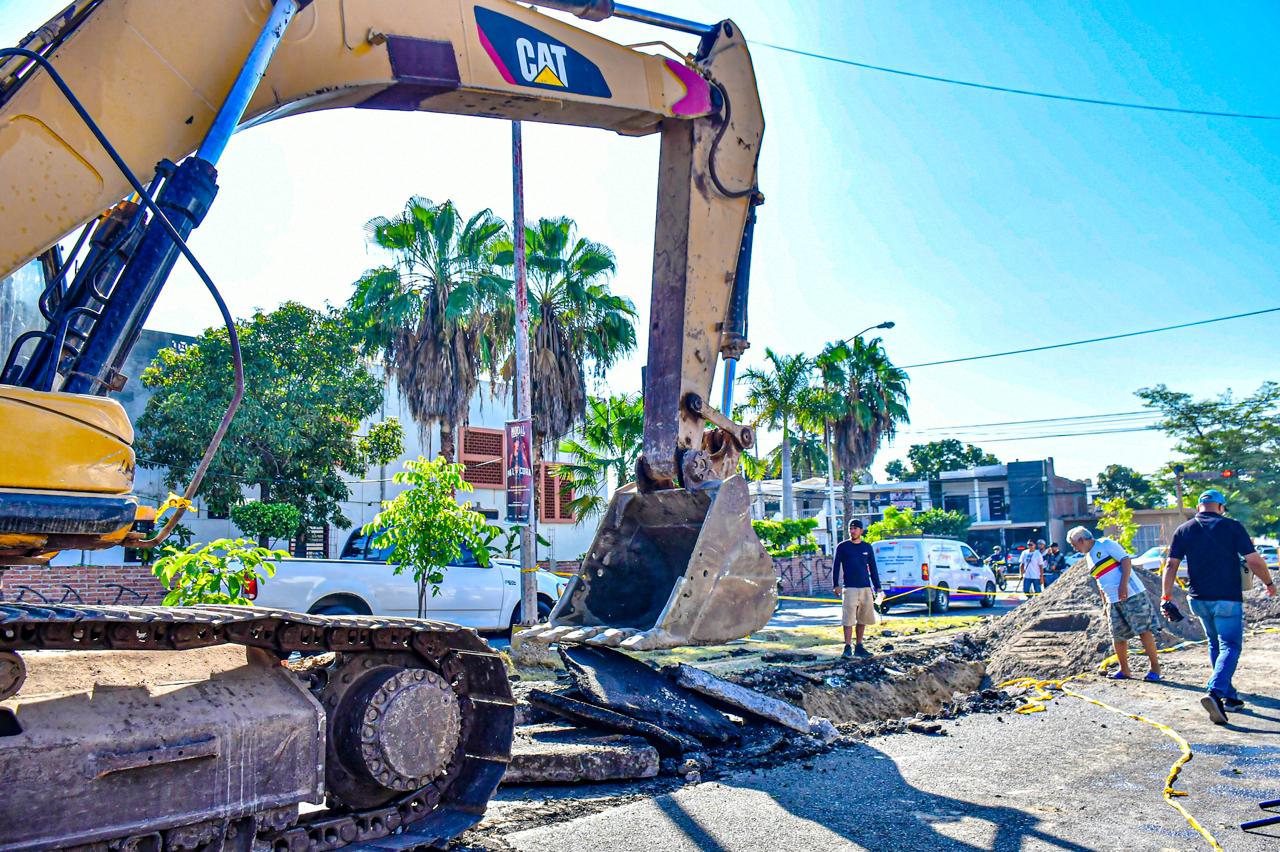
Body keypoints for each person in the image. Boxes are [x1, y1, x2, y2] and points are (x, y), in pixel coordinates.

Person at [1162, 489, 1277, 725]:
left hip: (1198, 599)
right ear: (1221, 507)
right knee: (1230, 646)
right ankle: (1215, 692)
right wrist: (1269, 583)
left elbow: (1170, 565)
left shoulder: (1184, 529)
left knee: (1216, 644)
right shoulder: (1232, 526)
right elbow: (1254, 560)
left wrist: (1166, 596)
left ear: (1199, 506)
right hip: (1226, 598)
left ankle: (1230, 696)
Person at [1067, 526, 1162, 682]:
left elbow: (1125, 561)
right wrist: (1105, 603)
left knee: (1144, 630)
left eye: (1074, 544)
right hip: (1112, 600)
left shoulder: (1105, 544)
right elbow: (1099, 580)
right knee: (1117, 636)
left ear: (1082, 540)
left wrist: (1123, 585)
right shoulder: (1089, 557)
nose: (1074, 548)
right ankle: (1124, 670)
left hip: (1132, 594)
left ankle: (1155, 668)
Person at [831, 519, 882, 659]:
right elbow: (836, 566)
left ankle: (859, 646)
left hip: (865, 587)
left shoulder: (867, 547)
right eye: (850, 528)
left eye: (855, 528)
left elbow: (873, 568)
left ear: (861, 531)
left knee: (862, 618)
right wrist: (836, 585)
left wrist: (878, 587)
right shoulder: (843, 547)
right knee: (848, 619)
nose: (852, 531)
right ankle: (847, 647)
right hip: (849, 588)